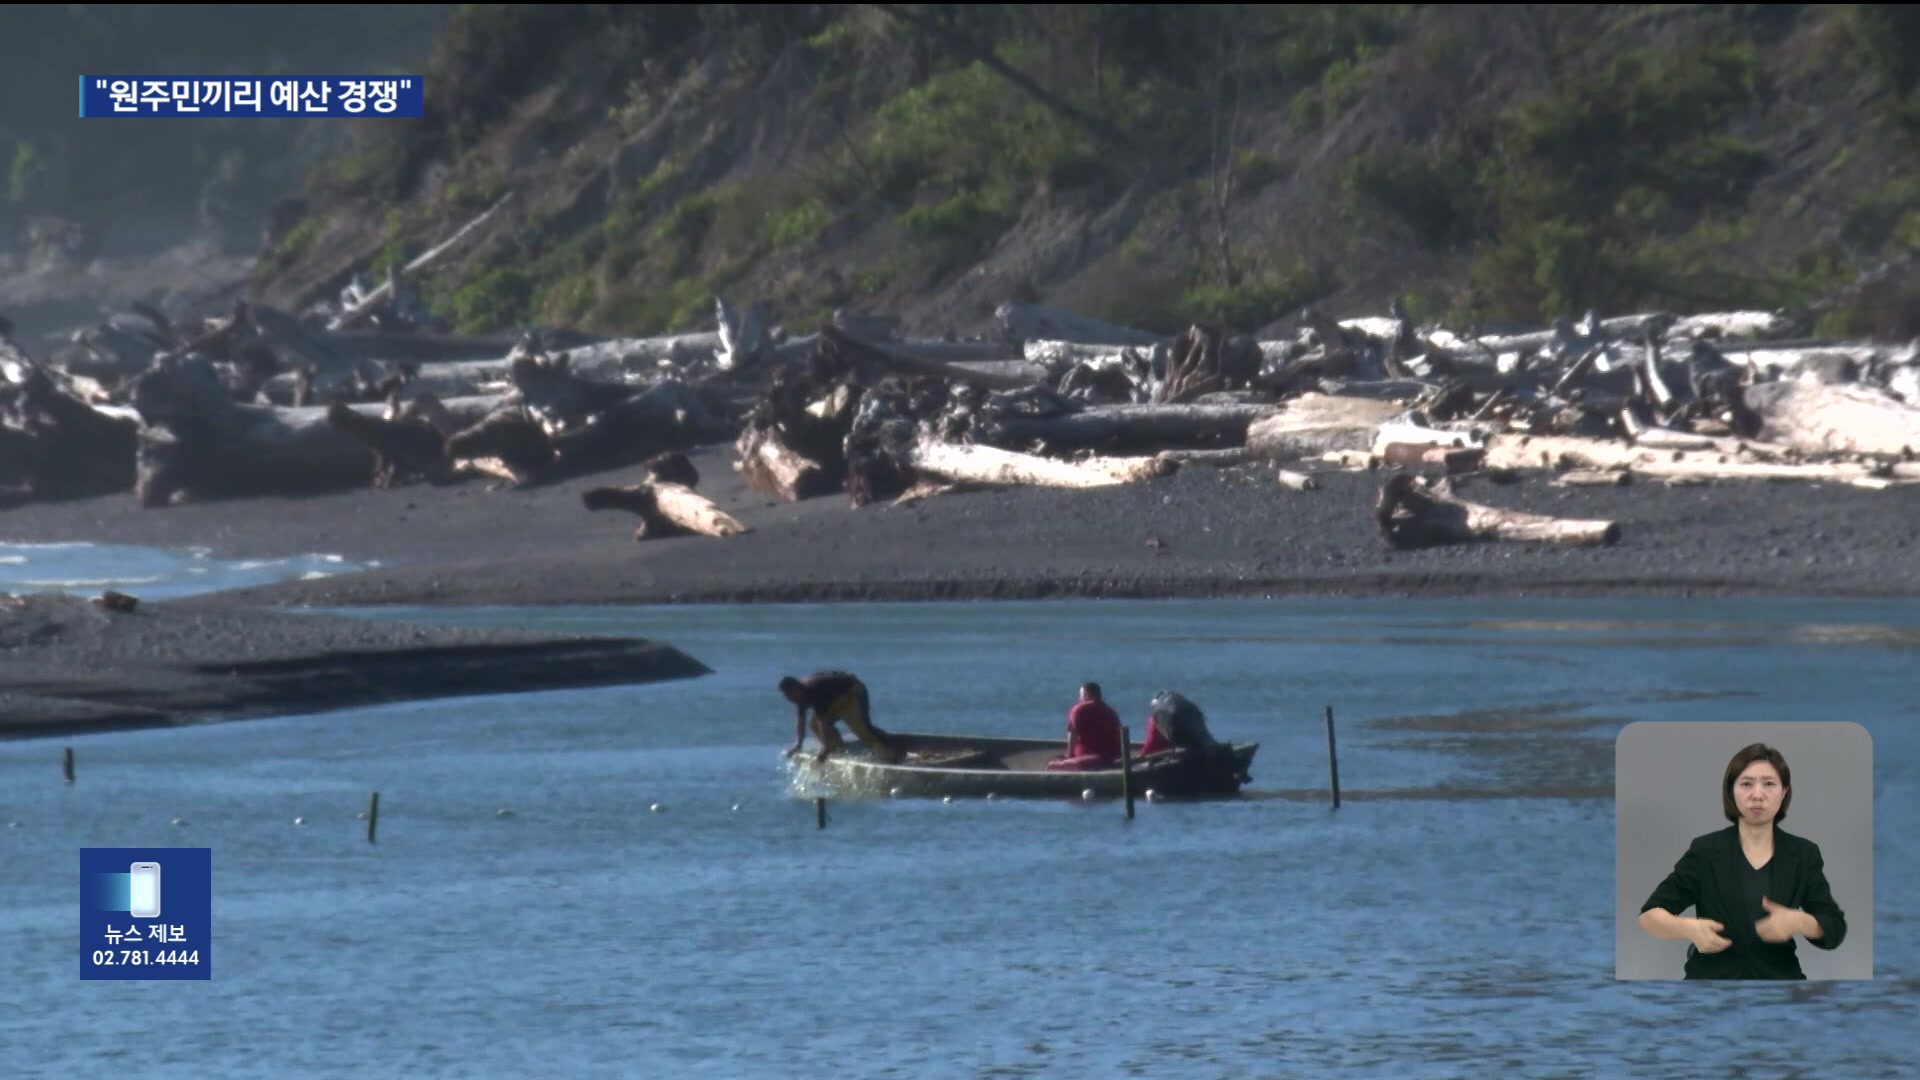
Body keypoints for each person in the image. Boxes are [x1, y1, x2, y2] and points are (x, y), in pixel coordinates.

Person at [1636, 742, 1848, 980]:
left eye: (1769, 784)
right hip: (1711, 987)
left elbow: (1835, 929)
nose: (1757, 795)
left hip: (1779, 988)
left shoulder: (1804, 854)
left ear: (1785, 791)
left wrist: (1800, 921)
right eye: (1746, 784)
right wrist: (1689, 929)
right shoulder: (1705, 851)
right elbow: (1649, 916)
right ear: (1731, 791)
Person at [780, 670, 901, 763]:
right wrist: (798, 744)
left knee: (861, 729)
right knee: (813, 724)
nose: (790, 700)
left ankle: (890, 755)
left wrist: (825, 749)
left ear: (796, 688)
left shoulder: (813, 690)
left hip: (853, 692)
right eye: (787, 698)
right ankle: (838, 750)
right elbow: (800, 720)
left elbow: (824, 722)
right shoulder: (799, 697)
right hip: (836, 700)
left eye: (790, 696)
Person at [1139, 690, 1250, 784]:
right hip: (1195, 722)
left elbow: (1152, 743)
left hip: (1182, 735)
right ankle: (1234, 770)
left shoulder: (1155, 718)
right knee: (1209, 746)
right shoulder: (1179, 705)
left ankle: (1222, 772)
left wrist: (1143, 756)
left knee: (1195, 752)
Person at [1046, 682, 1124, 772]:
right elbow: (1119, 736)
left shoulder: (1079, 710)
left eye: (1081, 696)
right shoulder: (1111, 712)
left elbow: (1073, 734)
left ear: (1086, 695)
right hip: (1113, 759)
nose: (1079, 699)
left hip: (1090, 760)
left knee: (1051, 765)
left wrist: (1069, 755)